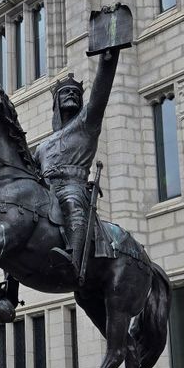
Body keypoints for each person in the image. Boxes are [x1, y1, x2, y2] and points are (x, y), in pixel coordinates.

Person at [34, 45, 120, 279]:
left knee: (72, 204)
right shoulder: (42, 146)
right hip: (46, 191)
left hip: (73, 186)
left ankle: (73, 260)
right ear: (56, 103)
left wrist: (107, 61)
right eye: (66, 92)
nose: (71, 94)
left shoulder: (86, 125)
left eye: (75, 92)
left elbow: (100, 94)